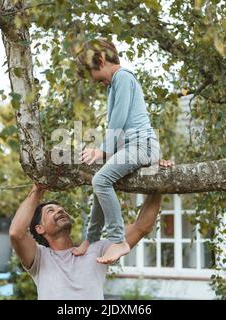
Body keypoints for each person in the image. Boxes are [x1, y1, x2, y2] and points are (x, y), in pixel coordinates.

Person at [8, 160, 172, 300]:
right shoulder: (40, 259)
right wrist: (37, 188)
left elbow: (141, 226)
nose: (60, 211)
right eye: (51, 211)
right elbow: (16, 232)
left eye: (61, 209)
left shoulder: (97, 249)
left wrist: (157, 177)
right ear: (39, 228)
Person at [73, 38, 161, 264]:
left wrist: (103, 150)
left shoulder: (122, 77)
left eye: (92, 73)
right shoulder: (115, 84)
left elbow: (119, 118)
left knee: (100, 181)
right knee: (100, 184)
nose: (94, 81)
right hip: (131, 147)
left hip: (142, 146)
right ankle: (91, 238)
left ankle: (117, 240)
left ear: (101, 61)